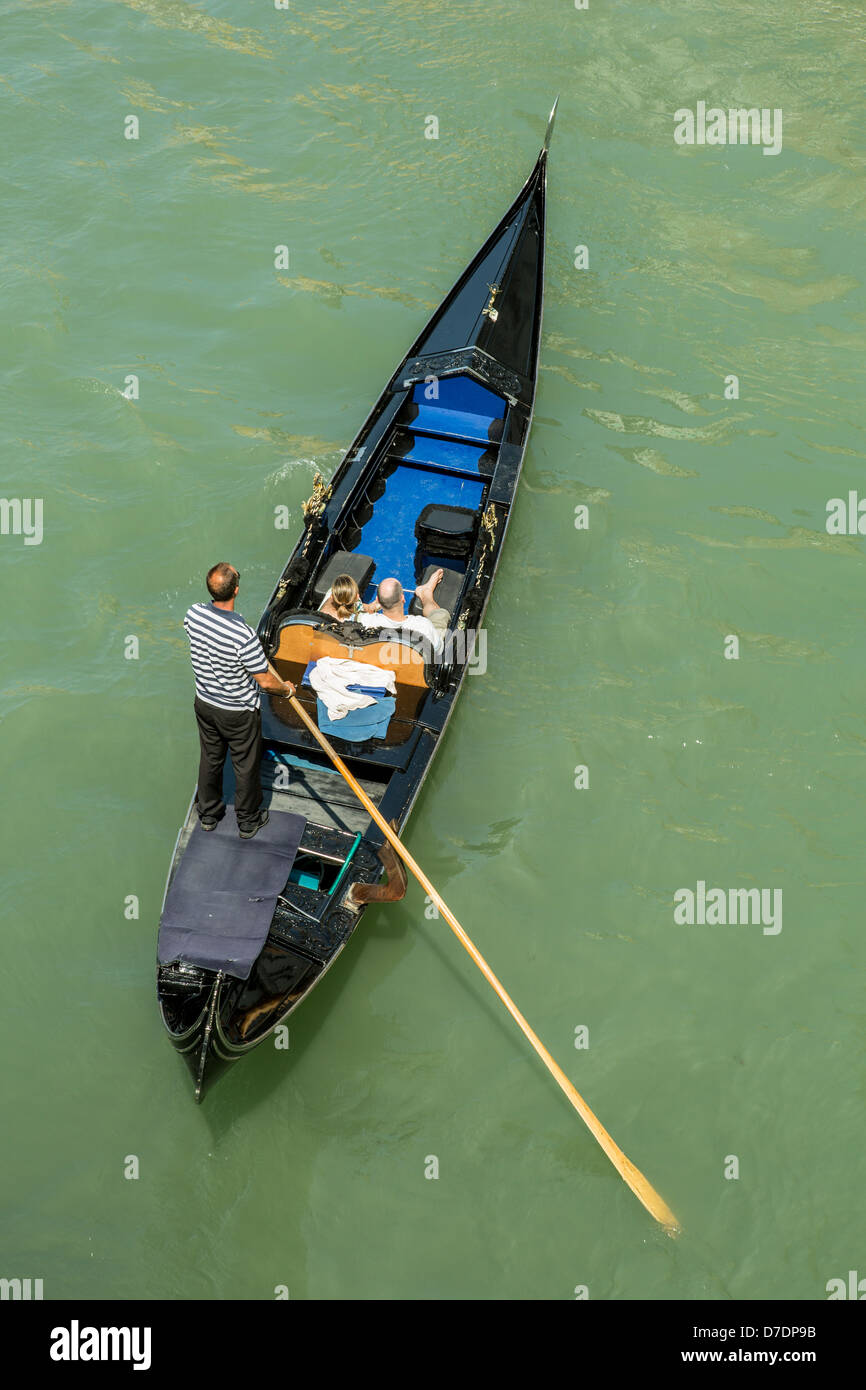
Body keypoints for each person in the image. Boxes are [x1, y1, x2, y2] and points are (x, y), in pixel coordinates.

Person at [183, 562, 295, 840]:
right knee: (245, 765)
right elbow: (265, 681)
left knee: (211, 757)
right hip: (238, 712)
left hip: (205, 702)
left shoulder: (193, 614)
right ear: (236, 590)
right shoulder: (243, 635)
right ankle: (247, 821)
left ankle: (208, 814)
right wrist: (286, 689)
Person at [355, 569, 448, 652]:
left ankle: (373, 607)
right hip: (413, 663)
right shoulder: (423, 626)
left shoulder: (363, 621)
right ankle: (426, 594)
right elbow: (438, 652)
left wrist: (370, 608)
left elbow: (353, 609)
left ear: (378, 600)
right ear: (403, 598)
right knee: (439, 615)